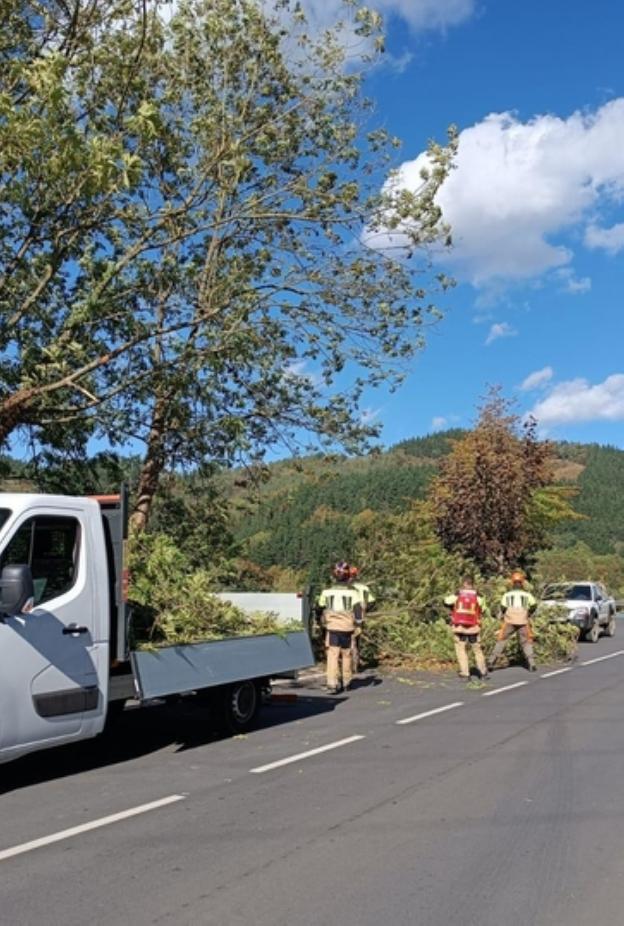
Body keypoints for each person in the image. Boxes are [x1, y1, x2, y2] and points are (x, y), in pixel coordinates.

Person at [317, 562, 365, 694]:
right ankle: (347, 681)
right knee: (346, 654)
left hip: (332, 628)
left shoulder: (326, 592)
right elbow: (358, 611)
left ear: (334, 576)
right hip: (347, 628)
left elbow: (320, 607)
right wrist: (359, 625)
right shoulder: (353, 593)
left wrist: (320, 622)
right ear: (348, 576)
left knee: (332, 655)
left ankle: (332, 683)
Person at [488, 570, 538, 672]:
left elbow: (503, 607)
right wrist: (528, 613)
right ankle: (532, 664)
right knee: (526, 642)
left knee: (501, 640)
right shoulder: (527, 595)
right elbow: (534, 605)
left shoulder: (507, 595)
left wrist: (504, 615)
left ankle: (491, 662)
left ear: (512, 583)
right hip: (523, 621)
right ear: (522, 583)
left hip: (509, 621)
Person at [444, 576, 489, 680]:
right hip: (473, 627)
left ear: (463, 583)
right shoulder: (479, 597)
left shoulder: (457, 595)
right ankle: (482, 672)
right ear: (473, 584)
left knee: (461, 649)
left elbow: (446, 602)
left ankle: (465, 673)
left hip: (460, 627)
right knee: (477, 649)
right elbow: (483, 609)